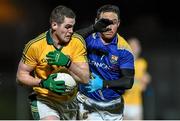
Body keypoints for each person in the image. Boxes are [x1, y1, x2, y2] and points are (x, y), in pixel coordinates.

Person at [16, 5, 90, 120]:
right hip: (44, 100)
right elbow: (20, 77)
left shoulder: (77, 42)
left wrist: (68, 63)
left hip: (71, 101)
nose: (71, 31)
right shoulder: (35, 46)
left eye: (72, 27)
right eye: (67, 27)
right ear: (54, 25)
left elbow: (85, 78)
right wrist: (44, 83)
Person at [76, 4, 135, 120]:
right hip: (88, 102)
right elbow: (70, 40)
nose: (109, 26)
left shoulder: (124, 49)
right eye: (105, 22)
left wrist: (103, 84)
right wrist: (93, 28)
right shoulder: (88, 39)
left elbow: (128, 81)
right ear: (97, 21)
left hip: (113, 106)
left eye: (113, 22)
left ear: (118, 24)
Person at [123, 37, 151, 120]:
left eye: (137, 46)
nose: (135, 48)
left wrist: (146, 80)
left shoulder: (142, 63)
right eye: (132, 46)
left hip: (136, 103)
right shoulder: (122, 63)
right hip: (124, 102)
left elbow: (144, 84)